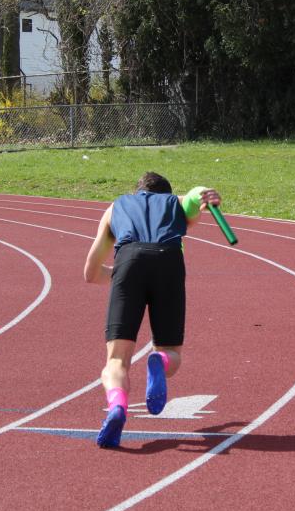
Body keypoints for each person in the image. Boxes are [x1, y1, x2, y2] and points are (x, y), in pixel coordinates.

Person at [83, 172, 221, 448]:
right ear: (166, 194)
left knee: (116, 360)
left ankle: (117, 406)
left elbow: (91, 272)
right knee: (172, 353)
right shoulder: (174, 203)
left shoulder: (115, 208)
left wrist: (121, 275)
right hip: (168, 262)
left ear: (138, 192)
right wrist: (204, 193)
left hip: (127, 262)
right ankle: (161, 360)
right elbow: (193, 199)